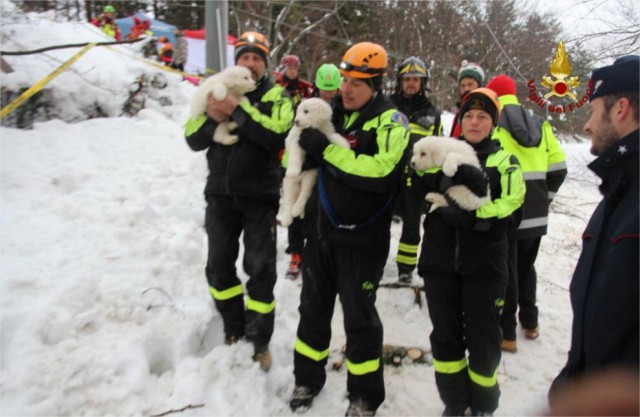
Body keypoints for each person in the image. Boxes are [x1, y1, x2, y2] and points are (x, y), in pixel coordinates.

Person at [288, 42, 410, 416]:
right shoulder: (332, 113)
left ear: (376, 83)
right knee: (312, 310)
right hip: (321, 233)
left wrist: (325, 150)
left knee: (360, 321)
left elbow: (381, 171)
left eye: (357, 82)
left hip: (363, 241)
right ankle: (307, 378)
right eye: (344, 80)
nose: (347, 88)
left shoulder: (391, 121)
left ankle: (364, 397)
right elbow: (296, 150)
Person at [184, 31, 294, 371]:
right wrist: (213, 119)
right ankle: (233, 327)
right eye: (244, 57)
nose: (250, 63)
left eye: (256, 58)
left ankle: (258, 340)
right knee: (218, 267)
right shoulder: (216, 89)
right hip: (219, 193)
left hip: (260, 195)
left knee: (260, 269)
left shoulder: (277, 96)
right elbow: (192, 136)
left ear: (264, 64)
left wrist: (239, 110)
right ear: (237, 62)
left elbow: (275, 135)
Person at [413, 88, 525, 416]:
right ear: (460, 120)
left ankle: (483, 405)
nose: (474, 122)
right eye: (468, 116)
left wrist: (474, 217)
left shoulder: (505, 160)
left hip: (485, 266)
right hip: (440, 262)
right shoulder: (439, 151)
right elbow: (415, 182)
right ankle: (454, 402)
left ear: (494, 122)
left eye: (483, 117)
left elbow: (513, 208)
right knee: (445, 339)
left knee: (484, 341)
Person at [548, 55, 639, 406]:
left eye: (594, 111)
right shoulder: (619, 191)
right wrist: (574, 379)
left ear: (621, 109)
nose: (586, 125)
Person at [486, 74, 568, 353]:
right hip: (536, 212)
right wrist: (544, 200)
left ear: (495, 96)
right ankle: (530, 323)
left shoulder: (494, 123)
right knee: (526, 267)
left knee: (506, 270)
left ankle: (507, 333)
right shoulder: (540, 124)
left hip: (509, 212)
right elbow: (558, 168)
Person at [391, 56, 443, 283]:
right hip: (387, 176)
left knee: (411, 226)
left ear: (423, 83)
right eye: (407, 79)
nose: (411, 83)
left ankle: (406, 268)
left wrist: (433, 181)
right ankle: (373, 261)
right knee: (378, 221)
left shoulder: (432, 114)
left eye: (416, 79)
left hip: (415, 180)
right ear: (400, 81)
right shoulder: (387, 106)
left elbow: (438, 149)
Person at [276, 54, 314, 280]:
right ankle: (295, 250)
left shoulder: (305, 89)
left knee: (306, 203)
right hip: (283, 154)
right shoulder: (278, 90)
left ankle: (302, 248)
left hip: (305, 152)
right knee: (289, 202)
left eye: (295, 67)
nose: (293, 71)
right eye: (289, 67)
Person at [450, 60, 484, 138]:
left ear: (479, 85)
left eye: (470, 84)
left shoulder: (486, 111)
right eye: (463, 86)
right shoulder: (460, 109)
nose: (466, 89)